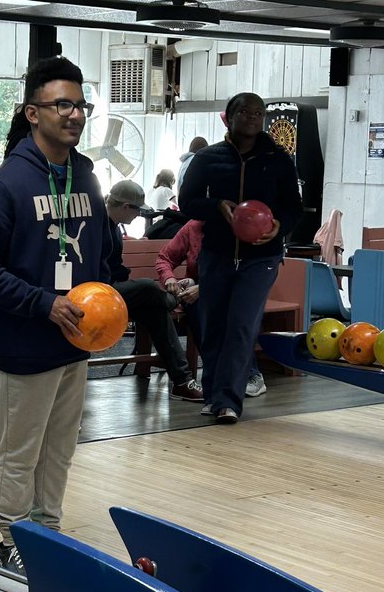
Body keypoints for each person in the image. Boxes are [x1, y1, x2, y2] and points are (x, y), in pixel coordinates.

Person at [0, 56, 112, 576]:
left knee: (61, 447)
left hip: (77, 338)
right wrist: (42, 303)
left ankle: (48, 532)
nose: (74, 115)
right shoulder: (3, 186)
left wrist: (104, 304)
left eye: (80, 105)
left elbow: (102, 251)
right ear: (33, 112)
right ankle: (13, 539)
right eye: (62, 105)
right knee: (21, 449)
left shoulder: (87, 177)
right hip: (27, 340)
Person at [179, 92, 302, 424]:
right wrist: (216, 206)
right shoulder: (207, 158)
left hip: (261, 257)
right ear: (229, 116)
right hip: (217, 254)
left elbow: (293, 207)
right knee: (214, 325)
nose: (252, 117)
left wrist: (279, 226)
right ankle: (213, 394)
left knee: (242, 325)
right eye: (245, 112)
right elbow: (187, 202)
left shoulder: (277, 159)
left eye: (258, 113)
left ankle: (229, 401)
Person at [104, 180, 203, 403]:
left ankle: (182, 381)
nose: (139, 216)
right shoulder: (97, 226)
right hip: (100, 293)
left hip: (114, 289)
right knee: (148, 288)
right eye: (138, 210)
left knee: (154, 310)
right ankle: (173, 298)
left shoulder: (113, 226)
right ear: (125, 207)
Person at [155, 219, 268, 401]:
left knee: (232, 312)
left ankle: (251, 374)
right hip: (197, 293)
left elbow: (236, 271)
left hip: (232, 289)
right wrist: (169, 279)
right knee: (197, 307)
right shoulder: (193, 227)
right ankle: (215, 371)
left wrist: (203, 288)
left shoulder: (236, 229)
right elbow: (165, 258)